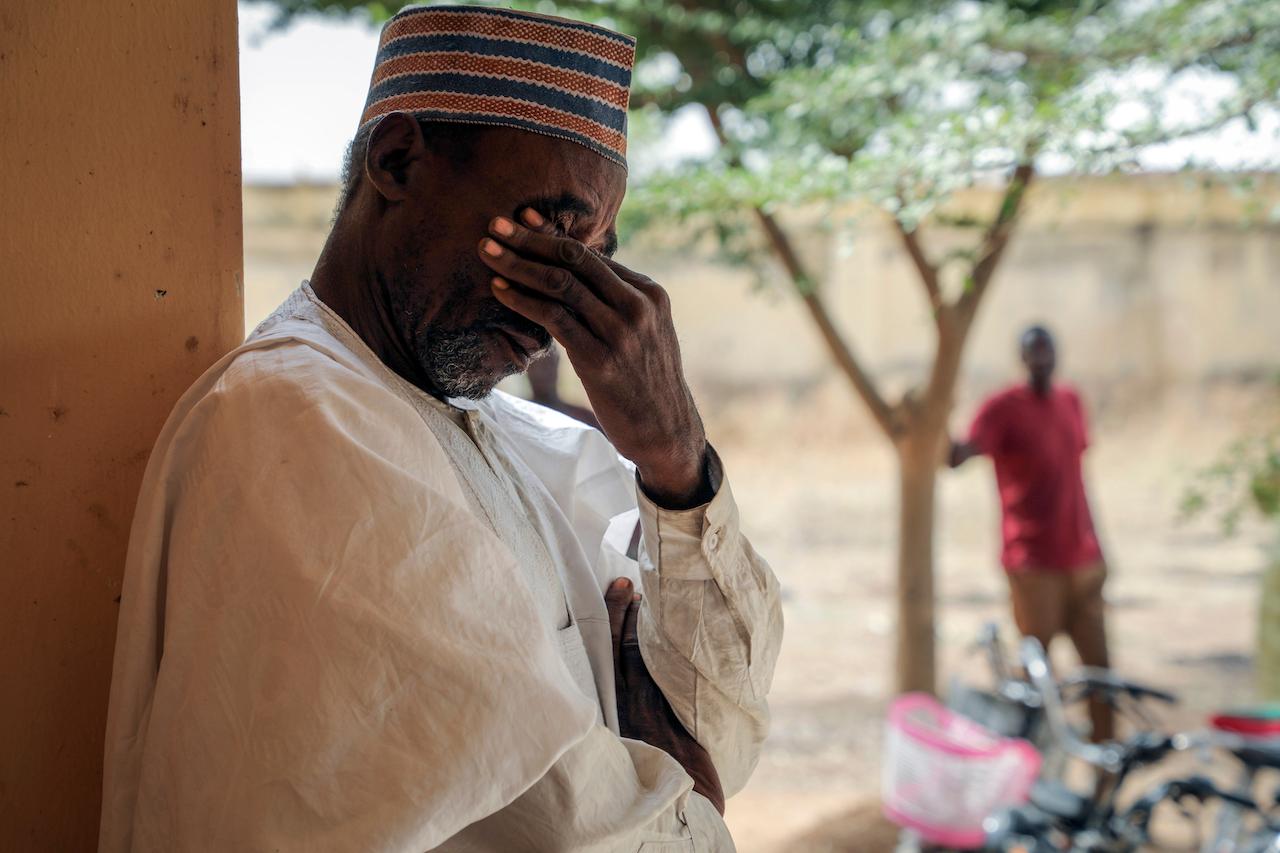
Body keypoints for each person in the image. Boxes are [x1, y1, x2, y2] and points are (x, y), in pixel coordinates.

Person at [99, 7, 783, 852]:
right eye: (543, 233)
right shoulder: (301, 419)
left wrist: (676, 463)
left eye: (595, 252)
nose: (558, 306)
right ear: (397, 161)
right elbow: (616, 829)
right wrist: (673, 776)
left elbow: (723, 732)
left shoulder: (519, 440)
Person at [949, 325, 1112, 742]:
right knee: (1037, 678)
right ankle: (1034, 763)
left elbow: (1077, 477)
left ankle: (1105, 770)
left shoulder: (1070, 401)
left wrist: (1099, 548)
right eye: (1033, 354)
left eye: (1047, 352)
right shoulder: (1002, 408)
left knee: (1101, 677)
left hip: (1083, 560)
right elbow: (960, 455)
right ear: (1022, 359)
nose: (1042, 361)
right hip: (1034, 565)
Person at [527, 343, 602, 429]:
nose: (542, 372)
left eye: (548, 364)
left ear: (556, 363)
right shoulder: (519, 415)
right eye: (535, 366)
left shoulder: (585, 418)